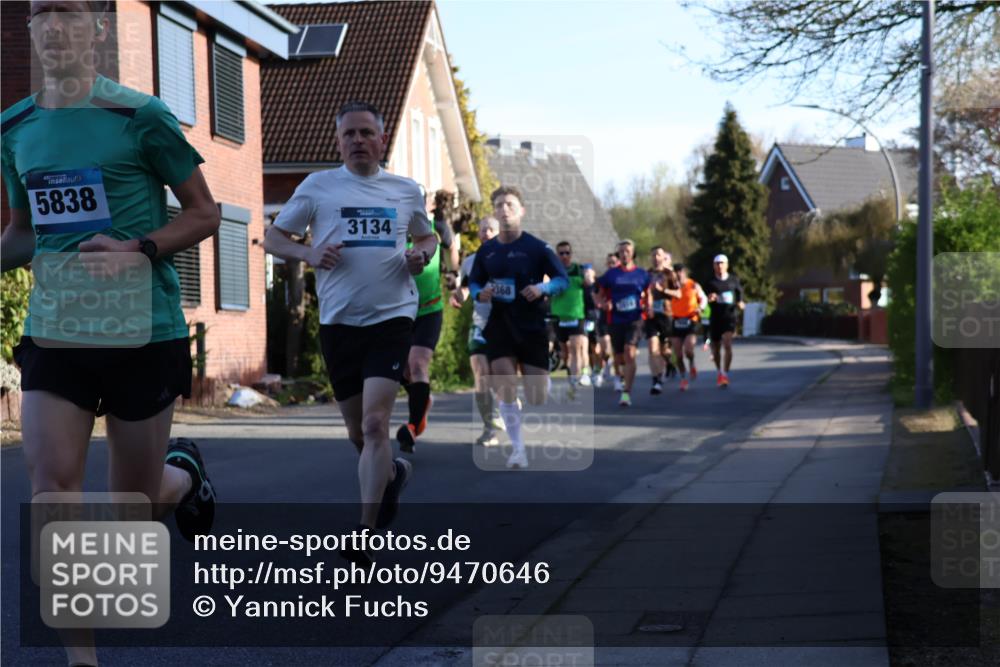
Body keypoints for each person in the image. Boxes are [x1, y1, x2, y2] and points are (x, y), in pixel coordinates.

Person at [1, 2, 220, 664]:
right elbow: (24, 231)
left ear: (96, 29)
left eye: (68, 11)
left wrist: (140, 247)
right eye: (41, 13)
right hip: (56, 329)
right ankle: (82, 659)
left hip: (140, 330)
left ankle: (182, 477)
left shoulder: (141, 116)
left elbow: (206, 213)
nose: (53, 25)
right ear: (30, 29)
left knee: (135, 509)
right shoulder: (13, 126)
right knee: (52, 486)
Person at [264, 101, 436, 563]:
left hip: (393, 318)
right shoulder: (318, 187)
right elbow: (274, 237)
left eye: (366, 133)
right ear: (338, 142)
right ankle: (393, 474)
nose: (358, 140)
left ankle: (365, 533)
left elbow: (427, 236)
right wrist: (308, 254)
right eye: (349, 135)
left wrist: (422, 255)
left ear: (382, 140)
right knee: (360, 435)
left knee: (377, 423)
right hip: (339, 323)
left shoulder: (405, 190)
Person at [468, 185, 568, 469]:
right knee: (505, 385)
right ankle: (518, 450)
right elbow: (474, 282)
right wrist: (479, 293)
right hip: (500, 323)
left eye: (510, 204)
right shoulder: (486, 251)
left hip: (532, 324)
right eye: (499, 205)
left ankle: (542, 378)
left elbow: (563, 280)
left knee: (536, 396)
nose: (504, 210)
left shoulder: (537, 247)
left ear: (521, 211)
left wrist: (542, 287)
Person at [395, 197, 459, 454]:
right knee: (403, 370)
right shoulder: (394, 225)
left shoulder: (438, 226)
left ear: (428, 205)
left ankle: (412, 427)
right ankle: (422, 400)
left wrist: (453, 273)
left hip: (429, 308)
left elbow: (451, 247)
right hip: (397, 309)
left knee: (418, 363)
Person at [451, 216, 505, 446]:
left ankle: (507, 405)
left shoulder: (509, 259)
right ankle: (488, 428)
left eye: (490, 230)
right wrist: (459, 297)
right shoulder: (470, 262)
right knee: (481, 374)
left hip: (505, 322)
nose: (485, 234)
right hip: (480, 322)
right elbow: (464, 288)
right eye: (482, 230)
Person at [596, 239, 650, 407]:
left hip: (635, 319)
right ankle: (620, 376)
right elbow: (597, 293)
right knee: (619, 358)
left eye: (627, 251)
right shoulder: (611, 274)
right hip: (615, 320)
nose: (624, 254)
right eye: (621, 251)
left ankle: (626, 392)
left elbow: (649, 292)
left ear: (633, 253)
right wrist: (602, 304)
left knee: (629, 351)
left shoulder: (642, 274)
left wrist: (648, 305)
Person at [549, 241, 591, 395]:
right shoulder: (552, 271)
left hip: (576, 315)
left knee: (576, 347)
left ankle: (578, 377)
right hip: (559, 316)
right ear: (557, 255)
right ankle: (572, 375)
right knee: (564, 353)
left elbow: (589, 285)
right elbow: (546, 288)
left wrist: (588, 278)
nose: (565, 256)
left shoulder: (578, 269)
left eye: (567, 253)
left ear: (571, 254)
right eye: (561, 253)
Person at [704, 254, 745, 388]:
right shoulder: (710, 282)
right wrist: (710, 298)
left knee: (727, 343)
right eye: (717, 264)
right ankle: (719, 371)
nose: (720, 266)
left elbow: (739, 296)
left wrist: (740, 303)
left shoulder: (733, 280)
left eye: (722, 263)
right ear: (713, 266)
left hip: (729, 317)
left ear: (727, 265)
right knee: (715, 349)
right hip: (715, 317)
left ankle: (725, 374)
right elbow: (704, 299)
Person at [666, 264, 708, 392]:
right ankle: (683, 378)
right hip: (676, 320)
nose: (678, 274)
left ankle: (692, 362)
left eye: (680, 272)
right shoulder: (671, 286)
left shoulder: (693, 285)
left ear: (685, 272)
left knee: (689, 349)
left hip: (691, 319)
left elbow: (704, 298)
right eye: (676, 272)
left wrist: (700, 308)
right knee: (678, 354)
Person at [645, 246, 676, 394]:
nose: (656, 258)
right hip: (651, 315)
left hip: (666, 314)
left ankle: (669, 363)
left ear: (663, 257)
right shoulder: (647, 274)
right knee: (652, 347)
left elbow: (679, 293)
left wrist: (664, 290)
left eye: (658, 255)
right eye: (653, 255)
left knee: (666, 351)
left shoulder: (669, 274)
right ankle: (656, 379)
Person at [595, 251, 621, 388]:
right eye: (609, 262)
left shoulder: (623, 279)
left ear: (618, 263)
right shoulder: (602, 279)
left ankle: (617, 378)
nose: (611, 265)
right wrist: (602, 303)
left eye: (614, 262)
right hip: (604, 317)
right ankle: (604, 369)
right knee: (604, 348)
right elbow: (595, 295)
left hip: (619, 318)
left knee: (617, 351)